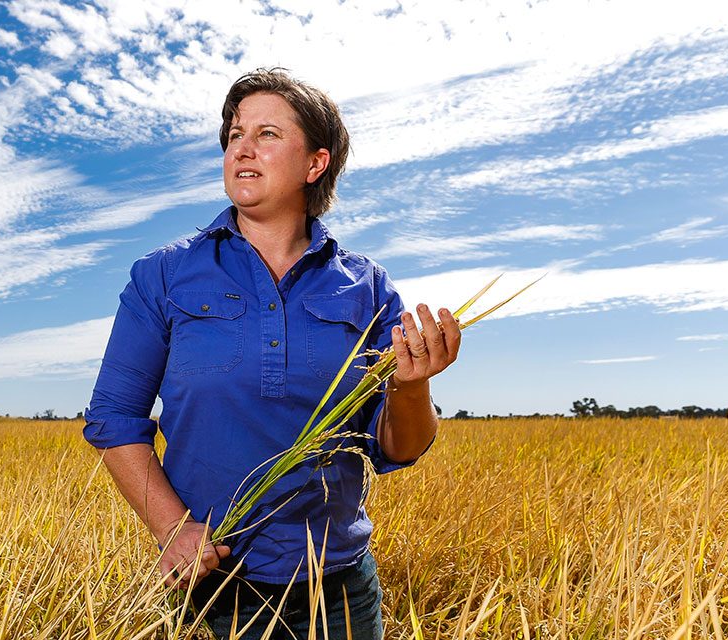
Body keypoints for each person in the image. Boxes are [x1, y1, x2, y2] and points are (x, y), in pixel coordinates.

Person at [83, 68, 461, 639]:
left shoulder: (367, 287)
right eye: (235, 134)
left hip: (339, 594)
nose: (242, 148)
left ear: (316, 163)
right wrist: (172, 528)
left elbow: (397, 448)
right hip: (212, 589)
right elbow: (114, 420)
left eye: (267, 134)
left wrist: (413, 384)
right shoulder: (163, 274)